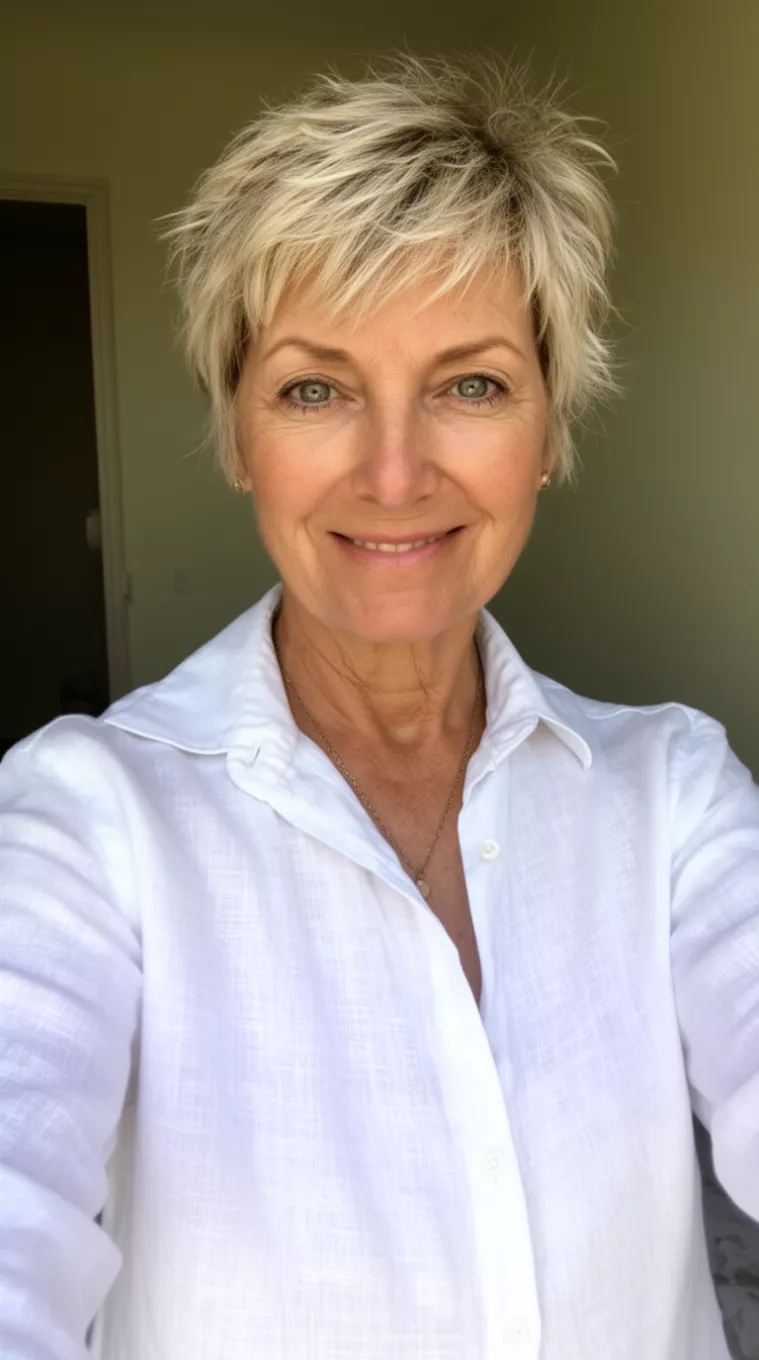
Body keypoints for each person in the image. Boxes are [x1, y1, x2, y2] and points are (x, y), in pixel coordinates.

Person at [0, 54, 757, 1360]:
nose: (394, 471)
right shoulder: (83, 820)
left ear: (549, 432)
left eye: (469, 384)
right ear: (238, 434)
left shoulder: (671, 793)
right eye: (314, 387)